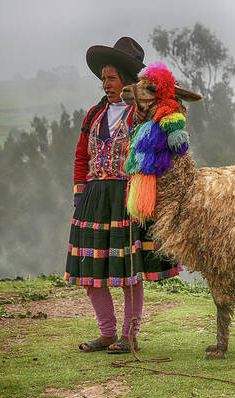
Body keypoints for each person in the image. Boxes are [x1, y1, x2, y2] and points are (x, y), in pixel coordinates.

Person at [64, 37, 182, 353]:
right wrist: (80, 195)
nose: (105, 84)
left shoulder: (140, 115)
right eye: (103, 78)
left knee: (130, 273)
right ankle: (106, 332)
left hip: (128, 199)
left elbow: (164, 145)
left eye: (111, 78)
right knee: (90, 272)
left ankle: (129, 335)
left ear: (127, 81)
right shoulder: (93, 116)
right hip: (93, 199)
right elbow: (80, 158)